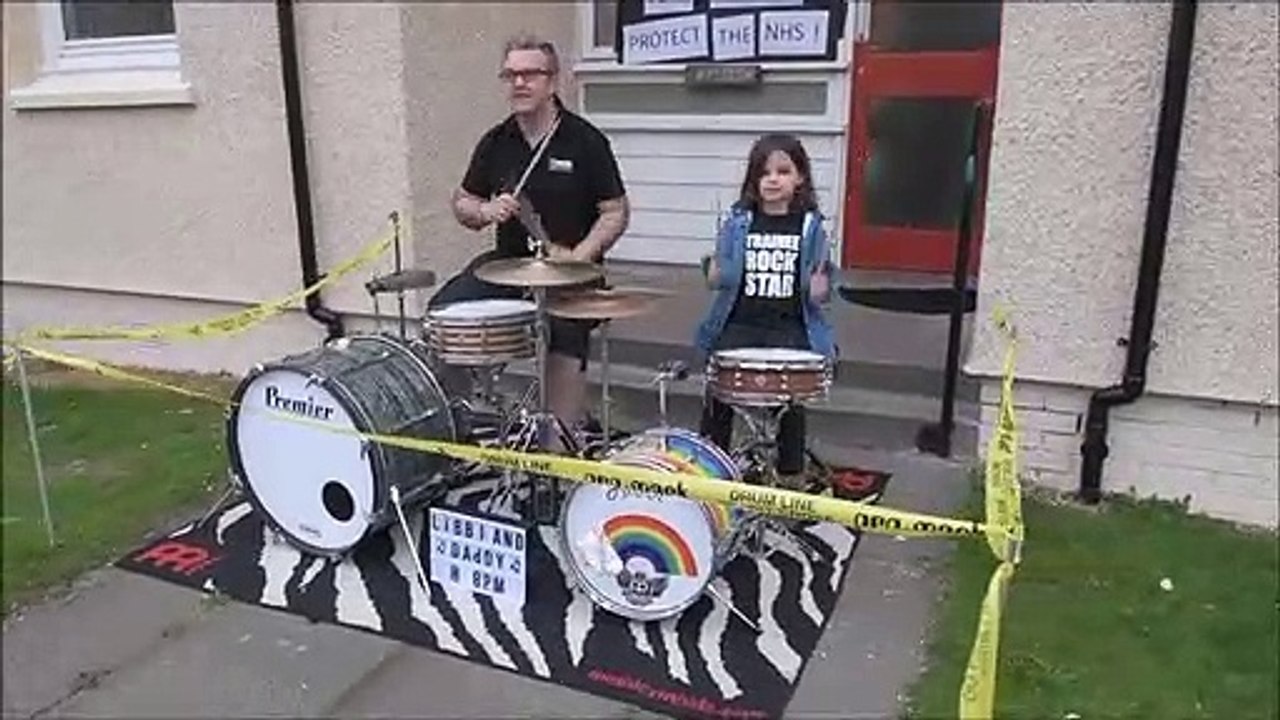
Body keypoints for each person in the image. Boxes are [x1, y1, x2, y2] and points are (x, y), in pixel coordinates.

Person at [433, 33, 630, 432]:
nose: (519, 83)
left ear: (552, 81)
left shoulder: (585, 141)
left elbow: (615, 211)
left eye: (530, 74)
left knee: (566, 334)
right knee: (443, 317)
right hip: (507, 268)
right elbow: (463, 202)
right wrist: (486, 210)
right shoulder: (497, 141)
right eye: (510, 75)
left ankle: (558, 442)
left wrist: (581, 256)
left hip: (570, 276)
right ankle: (464, 420)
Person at [693, 133, 836, 483]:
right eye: (764, 172)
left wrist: (822, 287)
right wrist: (711, 270)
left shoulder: (810, 227)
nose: (773, 179)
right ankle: (711, 468)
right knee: (718, 392)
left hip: (790, 325)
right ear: (754, 180)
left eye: (783, 171)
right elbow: (720, 276)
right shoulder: (738, 223)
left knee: (790, 402)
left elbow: (822, 285)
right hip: (740, 321)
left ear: (800, 177)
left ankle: (790, 476)